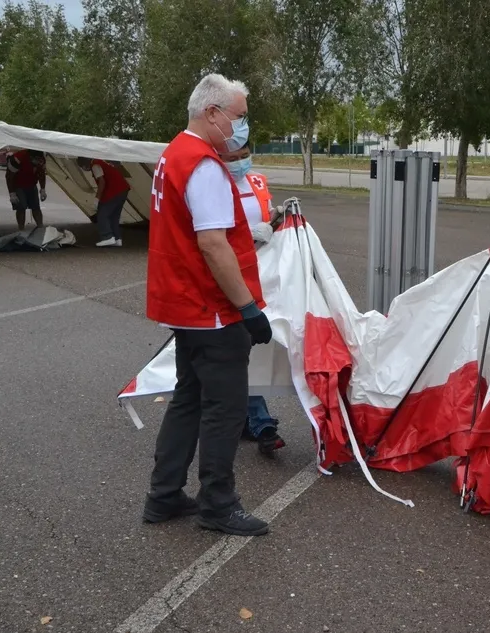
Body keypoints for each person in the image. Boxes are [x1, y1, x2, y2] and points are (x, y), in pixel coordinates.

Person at [142, 73, 274, 537]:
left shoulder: (173, 154)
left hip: (184, 303)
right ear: (213, 113)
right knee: (225, 407)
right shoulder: (203, 164)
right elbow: (214, 245)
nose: (241, 127)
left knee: (188, 400)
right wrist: (248, 309)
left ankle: (164, 494)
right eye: (238, 116)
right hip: (211, 308)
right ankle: (219, 503)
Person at [218, 144, 287, 457]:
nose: (239, 162)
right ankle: (261, 424)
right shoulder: (213, 184)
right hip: (230, 279)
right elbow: (212, 239)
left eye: (242, 155)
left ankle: (250, 419)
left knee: (247, 351)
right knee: (238, 352)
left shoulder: (257, 181)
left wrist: (278, 221)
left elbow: (266, 218)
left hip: (261, 275)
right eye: (231, 158)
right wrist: (249, 236)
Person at [76, 157, 132, 247]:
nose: (84, 169)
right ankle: (117, 239)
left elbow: (102, 182)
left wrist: (97, 199)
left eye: (82, 166)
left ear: (85, 163)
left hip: (114, 190)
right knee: (114, 216)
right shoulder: (101, 162)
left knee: (102, 214)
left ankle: (107, 237)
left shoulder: (95, 165)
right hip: (123, 189)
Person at [6, 149, 47, 231]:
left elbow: (42, 174)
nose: (38, 161)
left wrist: (43, 189)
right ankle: (21, 229)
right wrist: (12, 193)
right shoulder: (18, 158)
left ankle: (40, 227)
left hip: (32, 184)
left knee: (36, 207)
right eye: (36, 159)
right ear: (31, 157)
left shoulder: (42, 160)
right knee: (21, 207)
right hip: (18, 185)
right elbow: (9, 176)